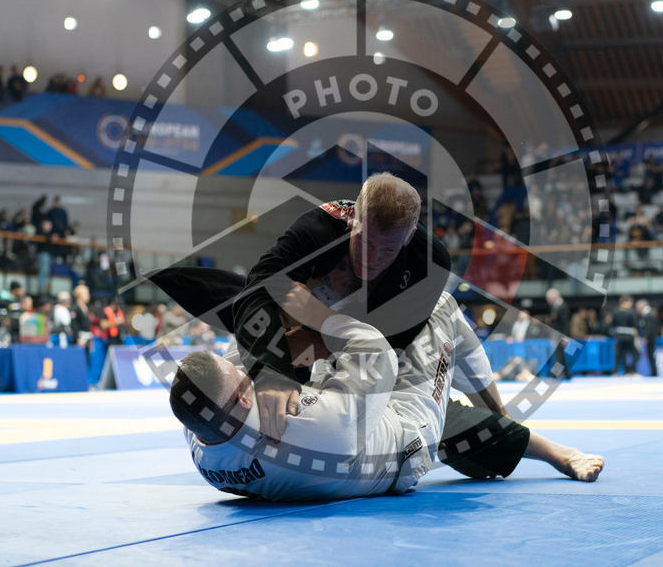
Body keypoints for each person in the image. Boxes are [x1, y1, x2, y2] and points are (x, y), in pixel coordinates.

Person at [171, 288, 603, 502]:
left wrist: (266, 364)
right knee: (440, 306)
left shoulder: (203, 449)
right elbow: (376, 354)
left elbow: (236, 358)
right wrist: (316, 313)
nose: (247, 372)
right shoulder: (311, 421)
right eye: (246, 380)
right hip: (405, 441)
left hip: (354, 442)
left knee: (302, 360)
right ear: (247, 399)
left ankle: (532, 442)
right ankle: (527, 431)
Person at [229, 173, 452, 441]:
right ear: (352, 219)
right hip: (323, 322)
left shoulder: (432, 263)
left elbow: (396, 338)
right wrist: (270, 373)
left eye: (388, 250)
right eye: (365, 241)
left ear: (409, 237)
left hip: (408, 335)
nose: (371, 259)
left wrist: (322, 338)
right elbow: (254, 291)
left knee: (480, 441)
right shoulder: (317, 230)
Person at [545, 288, 571, 380]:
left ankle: (554, 374)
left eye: (548, 298)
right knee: (560, 355)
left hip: (560, 335)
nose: (548, 301)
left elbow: (565, 323)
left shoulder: (563, 306)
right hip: (556, 334)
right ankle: (567, 374)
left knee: (558, 355)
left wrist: (565, 336)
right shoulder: (555, 306)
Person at [611, 295, 638, 376]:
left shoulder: (615, 311)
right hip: (629, 336)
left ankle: (616, 371)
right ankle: (630, 370)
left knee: (619, 354)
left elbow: (613, 324)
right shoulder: (631, 311)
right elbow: (634, 324)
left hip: (619, 336)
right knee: (635, 354)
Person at [636, 299, 659, 377]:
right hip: (650, 338)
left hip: (650, 338)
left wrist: (646, 337)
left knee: (651, 355)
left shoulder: (649, 314)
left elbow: (649, 328)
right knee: (650, 355)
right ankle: (653, 371)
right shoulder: (646, 314)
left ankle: (654, 372)